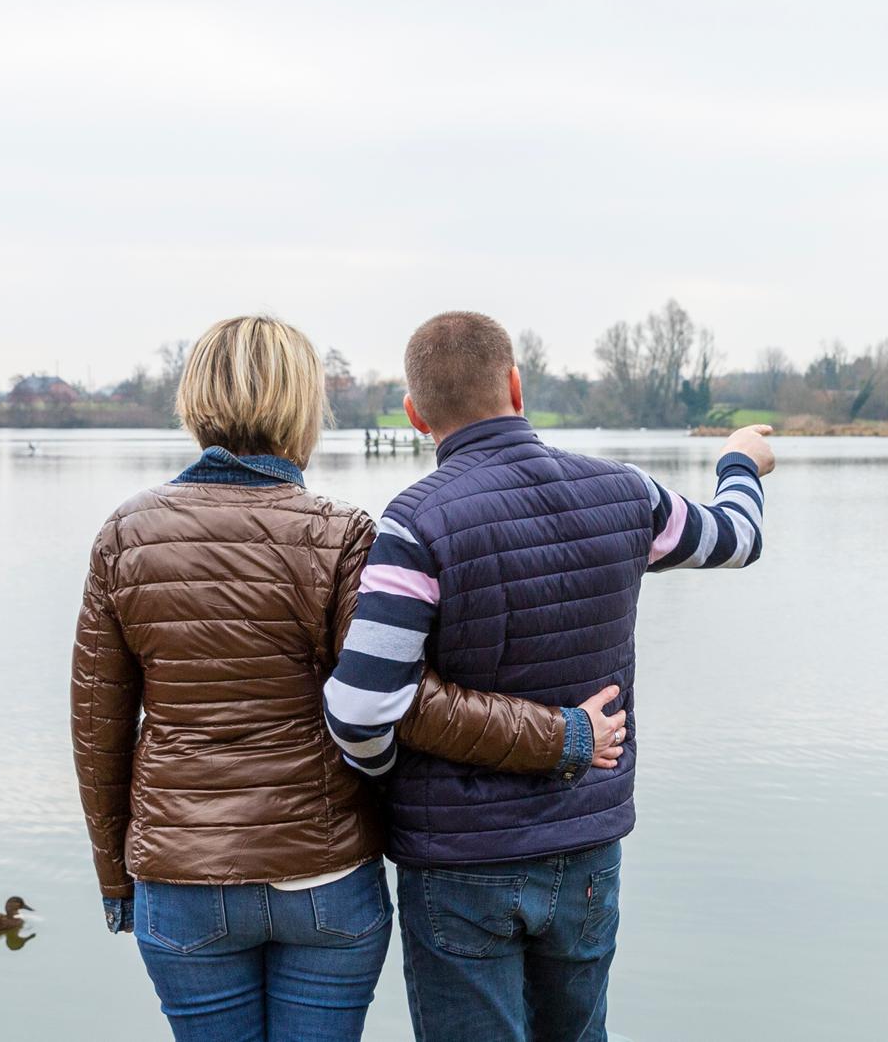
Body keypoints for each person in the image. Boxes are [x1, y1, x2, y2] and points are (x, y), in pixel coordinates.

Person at [69, 315, 628, 1042]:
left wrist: (115, 877)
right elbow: (404, 703)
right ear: (305, 407)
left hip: (181, 878)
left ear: (193, 403)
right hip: (325, 873)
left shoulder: (125, 535)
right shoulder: (341, 535)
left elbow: (99, 732)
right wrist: (562, 734)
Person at [323, 311, 775, 1042]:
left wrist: (384, 776)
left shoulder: (415, 524)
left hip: (458, 858)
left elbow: (360, 709)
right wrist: (739, 463)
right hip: (586, 846)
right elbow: (739, 537)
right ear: (516, 385)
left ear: (414, 415)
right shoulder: (626, 494)